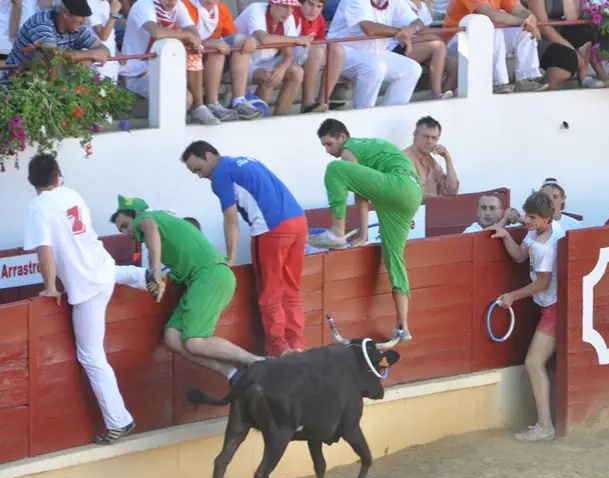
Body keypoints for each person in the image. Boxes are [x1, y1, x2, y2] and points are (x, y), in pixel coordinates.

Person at [22, 154, 136, 445]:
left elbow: (44, 250)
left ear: (31, 182)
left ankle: (119, 421)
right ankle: (149, 276)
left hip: (85, 286)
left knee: (90, 355)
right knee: (121, 273)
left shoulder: (38, 207)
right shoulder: (72, 193)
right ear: (59, 176)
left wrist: (50, 287)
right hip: (103, 268)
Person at [110, 196, 265, 381]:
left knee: (194, 341)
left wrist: (155, 271)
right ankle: (232, 373)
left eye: (125, 226)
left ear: (136, 214)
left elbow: (149, 227)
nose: (126, 232)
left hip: (208, 276)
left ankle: (258, 362)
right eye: (121, 230)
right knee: (172, 337)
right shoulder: (165, 223)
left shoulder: (146, 219)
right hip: (203, 277)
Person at [180, 141, 309, 357]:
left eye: (198, 169)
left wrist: (230, 258)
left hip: (271, 228)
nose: (200, 176)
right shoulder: (246, 161)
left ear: (209, 155)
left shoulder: (220, 174)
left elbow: (231, 219)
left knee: (270, 292)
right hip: (298, 222)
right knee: (292, 287)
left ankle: (280, 348)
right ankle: (298, 344)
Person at [313, 118, 423, 344]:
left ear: (342, 137)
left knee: (335, 169)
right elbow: (361, 194)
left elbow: (349, 181)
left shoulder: (349, 149)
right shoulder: (365, 151)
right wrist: (363, 235)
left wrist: (343, 234)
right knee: (394, 258)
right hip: (411, 194)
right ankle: (404, 327)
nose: (327, 150)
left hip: (397, 184)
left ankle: (336, 230)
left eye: (329, 144)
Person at [489, 191, 564, 442]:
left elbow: (542, 283)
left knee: (533, 363)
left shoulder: (546, 247)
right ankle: (545, 425)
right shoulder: (538, 233)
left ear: (546, 219)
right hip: (550, 306)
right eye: (527, 216)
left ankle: (545, 426)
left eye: (532, 218)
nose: (527, 222)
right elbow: (520, 256)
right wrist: (506, 235)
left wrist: (512, 296)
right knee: (535, 363)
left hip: (555, 307)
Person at [4, 0, 111, 78]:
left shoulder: (77, 28)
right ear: (65, 13)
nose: (84, 22)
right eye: (81, 16)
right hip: (15, 84)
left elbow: (104, 50)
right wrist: (91, 55)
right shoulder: (41, 22)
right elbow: (51, 54)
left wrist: (87, 60)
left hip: (44, 85)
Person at [404, 115, 460, 198]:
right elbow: (408, 194)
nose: (430, 141)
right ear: (415, 135)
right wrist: (436, 199)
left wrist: (447, 158)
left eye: (434, 138)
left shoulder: (432, 163)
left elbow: (451, 191)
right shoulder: (404, 159)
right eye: (426, 136)